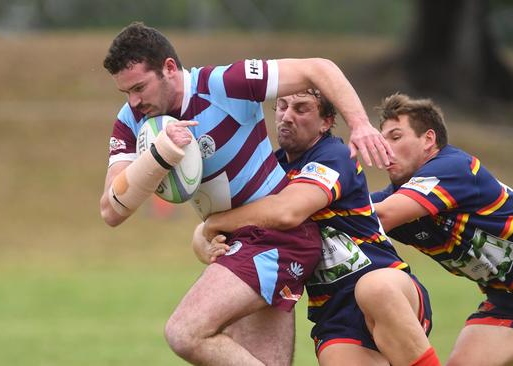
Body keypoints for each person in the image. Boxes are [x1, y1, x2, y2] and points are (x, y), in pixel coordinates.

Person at [98, 22, 393, 365]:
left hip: (278, 238)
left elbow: (318, 69)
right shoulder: (132, 119)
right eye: (126, 93)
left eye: (139, 88)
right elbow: (112, 210)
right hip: (238, 243)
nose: (134, 101)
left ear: (168, 69)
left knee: (185, 332)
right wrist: (159, 156)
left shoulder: (224, 84)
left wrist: (359, 124)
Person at [195, 90, 439, 366]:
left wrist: (213, 224)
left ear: (326, 121)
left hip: (387, 285)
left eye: (301, 109)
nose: (287, 116)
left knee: (373, 288)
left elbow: (288, 211)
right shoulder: (271, 170)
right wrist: (205, 239)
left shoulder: (334, 154)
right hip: (334, 315)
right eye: (282, 106)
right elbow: (229, 219)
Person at [371, 93, 513, 365]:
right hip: (512, 298)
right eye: (382, 139)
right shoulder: (395, 197)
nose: (385, 148)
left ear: (428, 139)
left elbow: (382, 214)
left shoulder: (454, 167)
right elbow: (360, 213)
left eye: (396, 137)